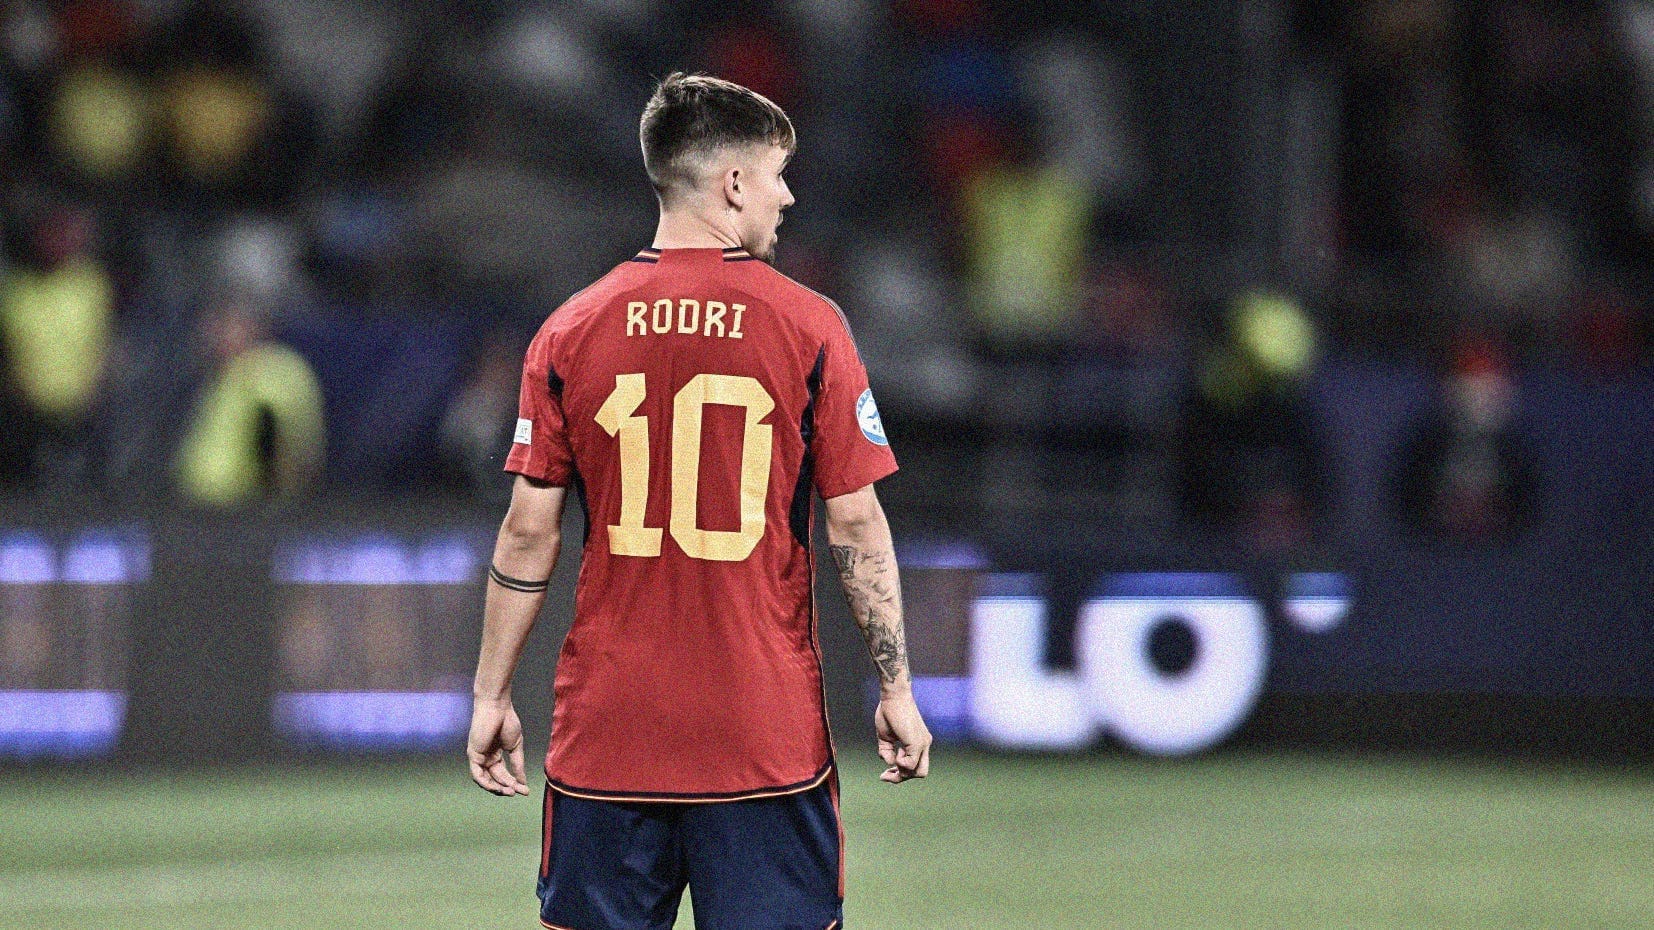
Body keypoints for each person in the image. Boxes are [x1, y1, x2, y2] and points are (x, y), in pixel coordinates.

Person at [466, 73, 931, 930]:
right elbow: (855, 520)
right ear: (733, 184)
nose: (787, 196)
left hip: (608, 731)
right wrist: (896, 685)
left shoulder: (571, 328)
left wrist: (491, 695)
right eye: (778, 173)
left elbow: (529, 528)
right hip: (761, 737)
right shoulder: (809, 324)